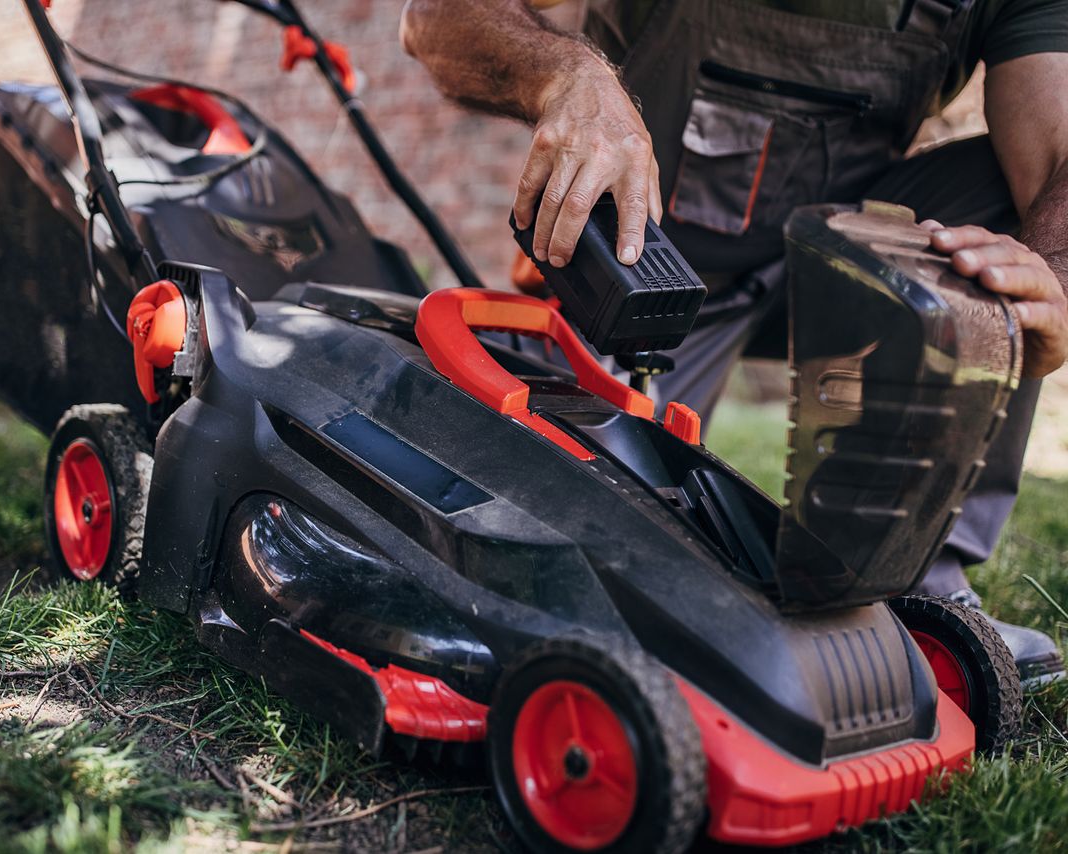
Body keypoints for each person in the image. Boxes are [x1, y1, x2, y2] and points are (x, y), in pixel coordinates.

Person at [401, 0, 1068, 682]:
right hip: (655, 270)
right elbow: (435, 20)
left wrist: (1053, 282)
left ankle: (922, 584)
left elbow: (1058, 150)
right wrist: (566, 75)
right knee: (558, 528)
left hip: (855, 271)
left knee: (1009, 192)